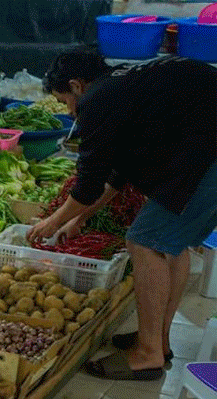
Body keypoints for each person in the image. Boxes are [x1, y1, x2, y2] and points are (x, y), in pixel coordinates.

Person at [28, 49, 217, 381]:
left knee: (144, 242)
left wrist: (53, 221)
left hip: (207, 157)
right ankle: (159, 340)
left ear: (76, 86)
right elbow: (118, 171)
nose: (69, 111)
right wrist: (81, 217)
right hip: (204, 147)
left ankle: (148, 355)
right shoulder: (123, 84)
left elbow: (87, 183)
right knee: (171, 245)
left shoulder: (96, 100)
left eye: (64, 102)